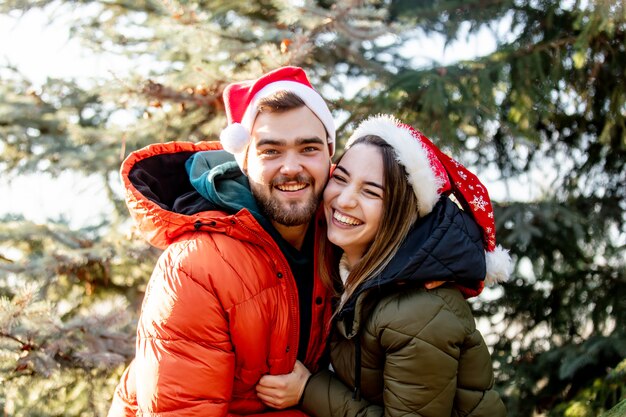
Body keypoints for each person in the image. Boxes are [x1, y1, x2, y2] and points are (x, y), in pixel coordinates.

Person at [108, 66, 338, 416]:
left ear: (330, 155)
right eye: (271, 151)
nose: (292, 167)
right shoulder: (195, 267)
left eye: (308, 148)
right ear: (244, 159)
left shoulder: (347, 231)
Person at [256, 114, 512, 416]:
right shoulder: (347, 268)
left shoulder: (419, 311)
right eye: (340, 178)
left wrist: (308, 389)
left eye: (371, 192)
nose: (345, 199)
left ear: (400, 212)